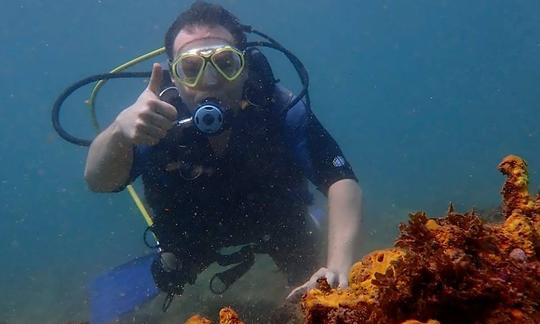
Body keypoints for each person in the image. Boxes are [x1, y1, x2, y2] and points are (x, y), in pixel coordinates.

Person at [84, 1, 362, 306]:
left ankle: (311, 224)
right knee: (168, 274)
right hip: (191, 238)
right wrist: (118, 132)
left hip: (279, 226)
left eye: (226, 63)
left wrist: (338, 264)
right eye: (190, 69)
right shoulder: (153, 120)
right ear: (173, 77)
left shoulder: (277, 108)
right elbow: (99, 181)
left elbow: (340, 178)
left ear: (244, 69)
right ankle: (170, 262)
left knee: (314, 281)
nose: (211, 80)